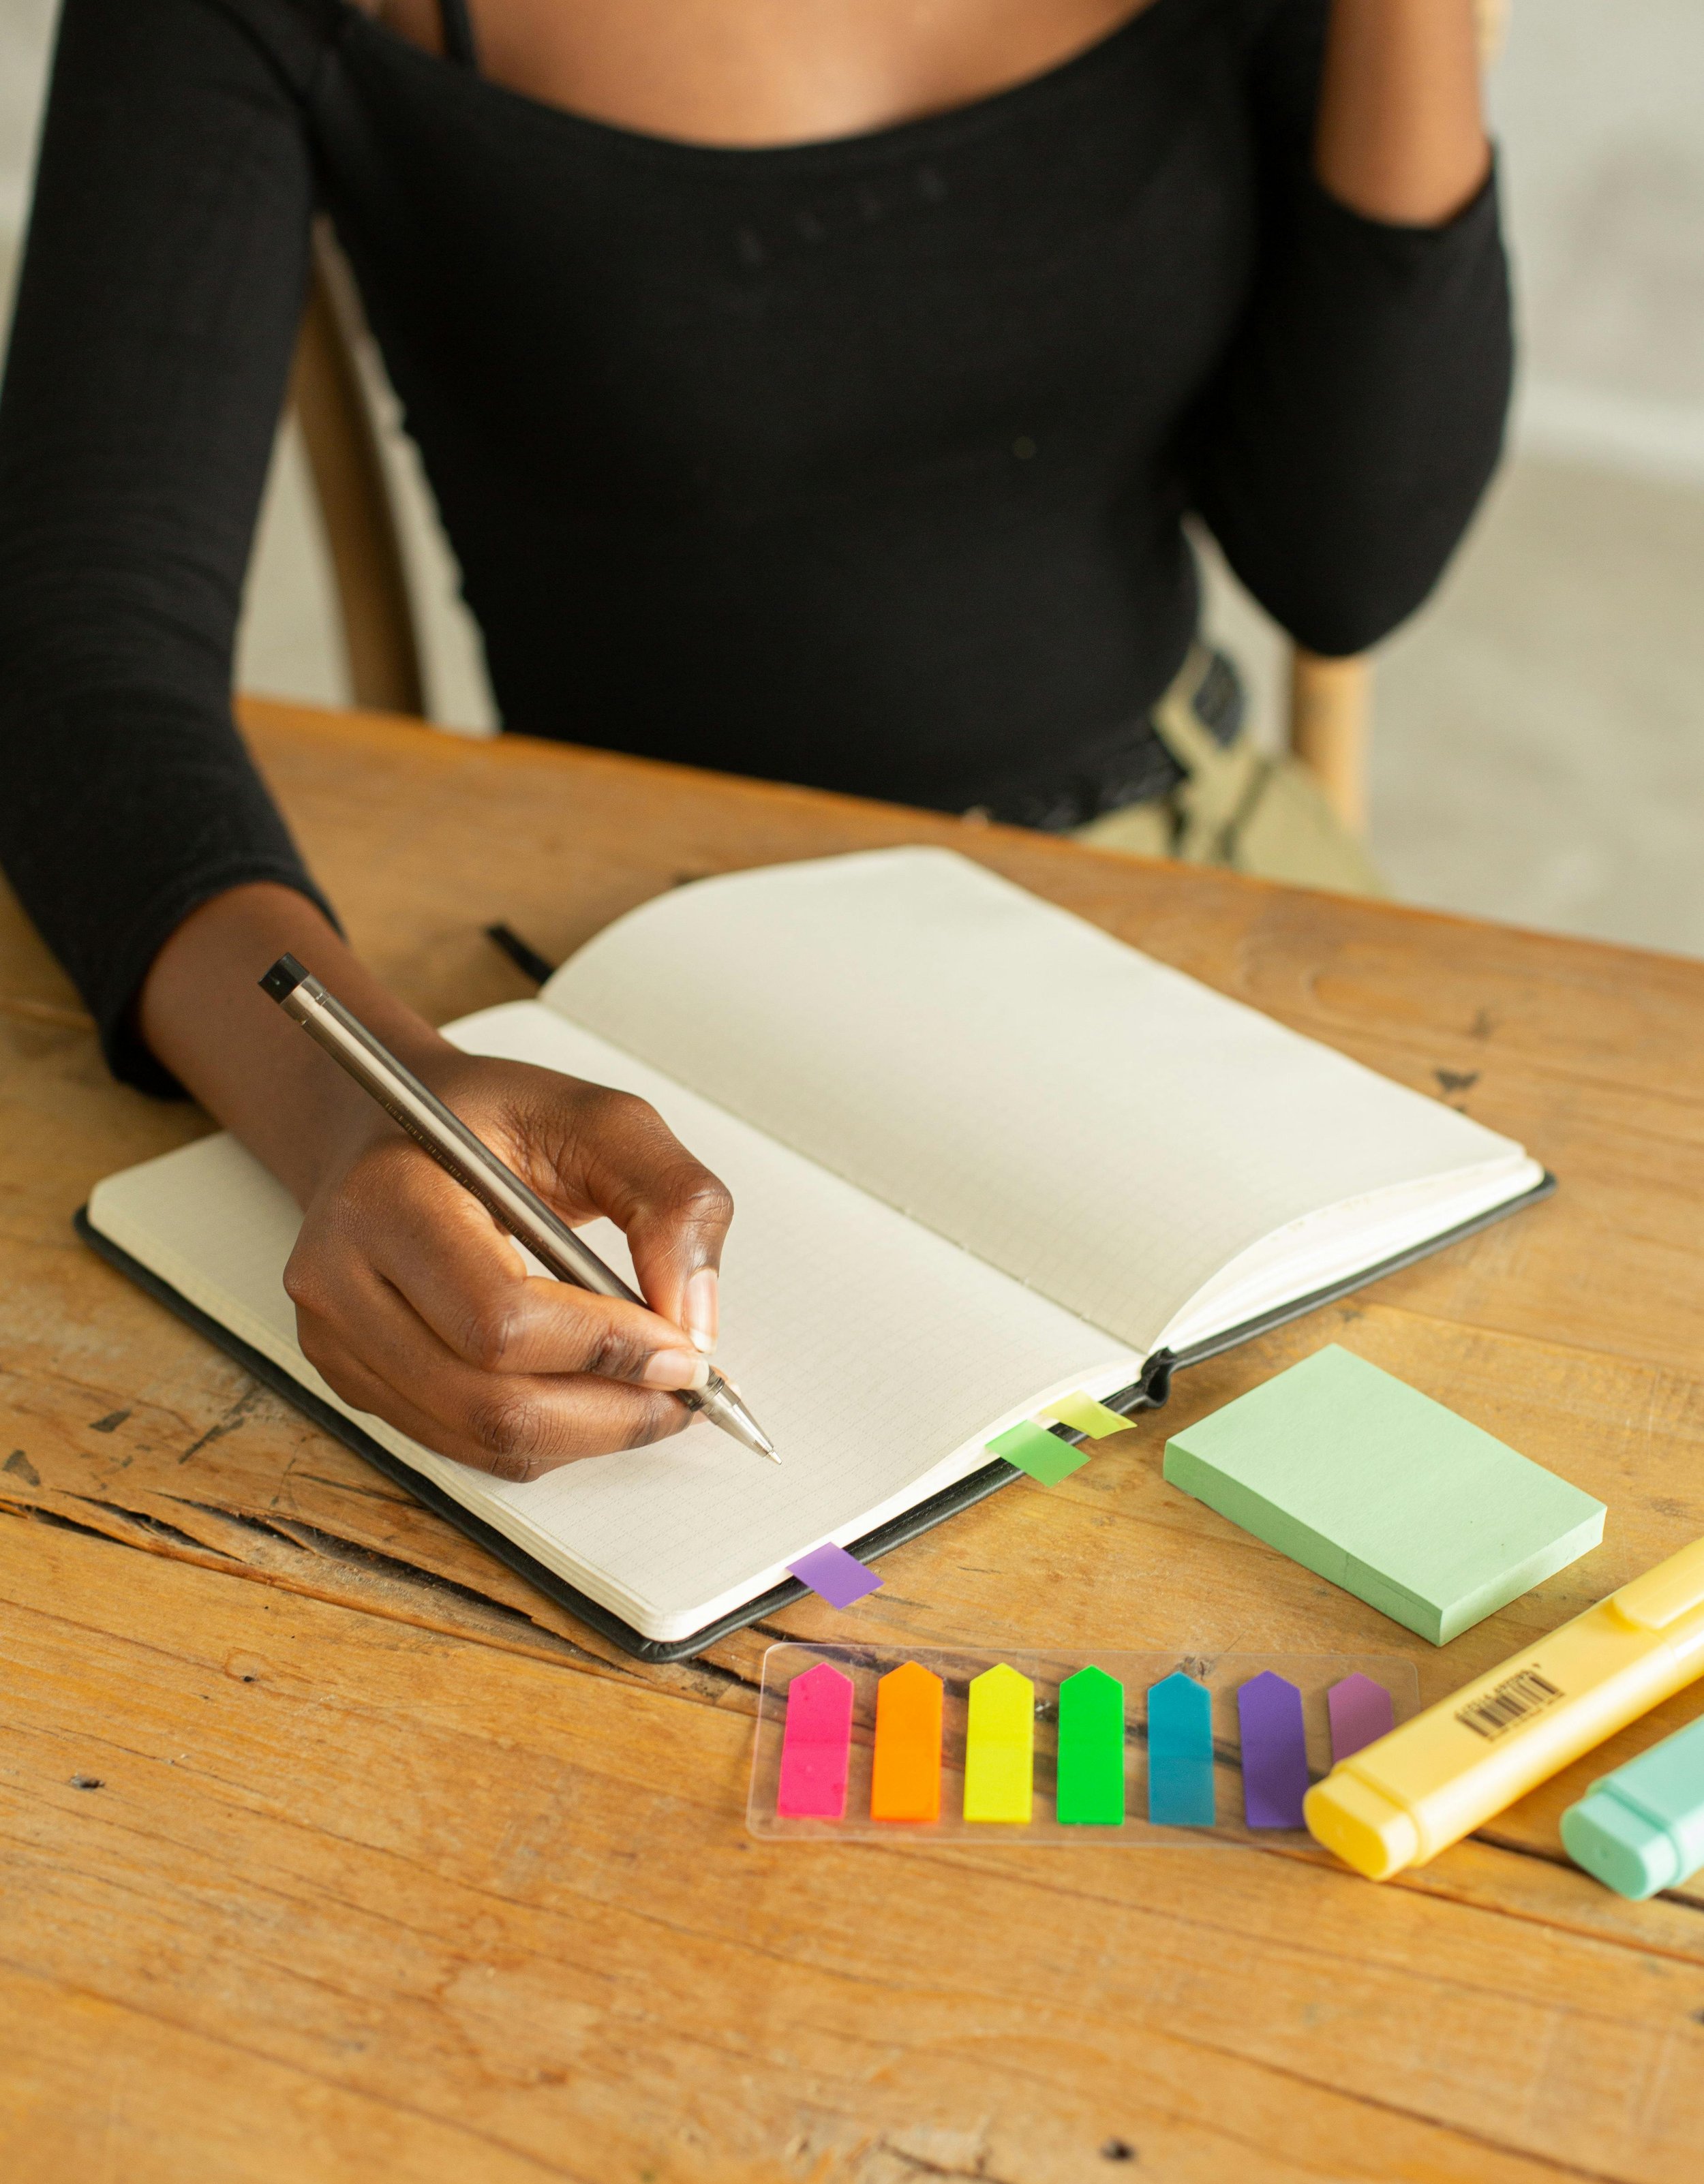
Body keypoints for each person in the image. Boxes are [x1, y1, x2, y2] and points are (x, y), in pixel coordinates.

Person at [0, 0, 1508, 1481]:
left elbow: (1344, 558)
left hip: (1180, 872)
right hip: (647, 988)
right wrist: (352, 1104)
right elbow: (77, 644)